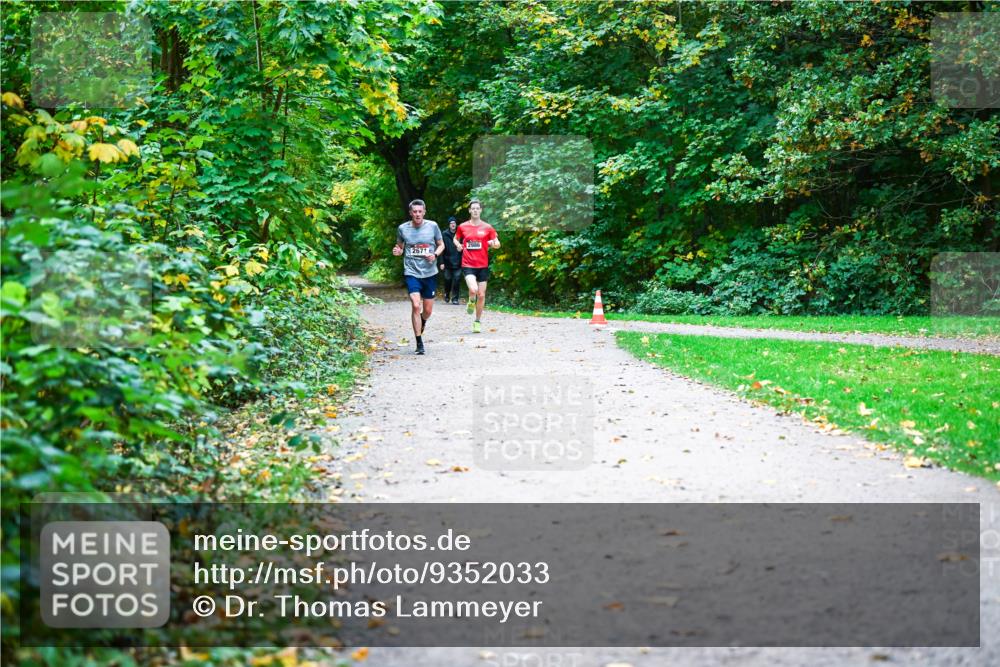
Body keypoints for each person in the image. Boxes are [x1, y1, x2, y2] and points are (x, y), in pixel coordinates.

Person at [393, 199, 445, 355]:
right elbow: (400, 247)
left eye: (419, 211)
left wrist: (434, 254)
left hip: (429, 273)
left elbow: (441, 244)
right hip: (411, 272)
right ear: (410, 213)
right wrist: (398, 251)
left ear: (424, 212)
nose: (417, 214)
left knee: (427, 311)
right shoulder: (403, 228)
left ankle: (422, 320)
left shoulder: (433, 226)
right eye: (414, 211)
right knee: (416, 305)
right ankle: (419, 343)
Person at [454, 198, 500, 333]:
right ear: (469, 210)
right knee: (473, 290)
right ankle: (470, 299)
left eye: (477, 208)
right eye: (472, 208)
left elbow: (497, 242)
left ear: (480, 210)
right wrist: (458, 245)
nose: (475, 210)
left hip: (482, 265)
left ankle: (477, 321)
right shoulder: (462, 226)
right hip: (468, 264)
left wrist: (494, 244)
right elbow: (455, 239)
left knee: (481, 295)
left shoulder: (487, 227)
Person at [439, 216, 463, 304]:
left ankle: (455, 299)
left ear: (456, 224)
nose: (453, 225)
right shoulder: (444, 234)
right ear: (449, 225)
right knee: (447, 279)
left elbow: (464, 246)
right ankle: (447, 294)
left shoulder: (460, 234)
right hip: (447, 261)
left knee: (457, 280)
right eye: (451, 223)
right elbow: (441, 248)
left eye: (454, 223)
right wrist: (441, 262)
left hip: (458, 261)